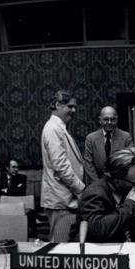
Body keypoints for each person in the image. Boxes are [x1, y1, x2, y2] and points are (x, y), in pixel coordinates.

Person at [70, 147, 135, 243]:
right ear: (116, 181)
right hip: (96, 254)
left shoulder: (123, 191)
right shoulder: (94, 193)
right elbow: (98, 230)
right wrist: (130, 206)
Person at [41, 90, 85, 242]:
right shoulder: (52, 128)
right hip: (61, 199)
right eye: (70, 106)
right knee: (59, 246)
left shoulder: (58, 127)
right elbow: (61, 167)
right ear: (58, 105)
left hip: (64, 198)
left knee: (63, 245)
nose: (74, 110)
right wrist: (81, 189)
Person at [83, 106, 134, 183]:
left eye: (112, 119)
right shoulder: (91, 138)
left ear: (117, 119)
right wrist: (98, 184)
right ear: (100, 120)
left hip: (120, 183)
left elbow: (129, 162)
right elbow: (88, 164)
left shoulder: (126, 137)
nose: (109, 122)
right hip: (97, 183)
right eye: (106, 119)